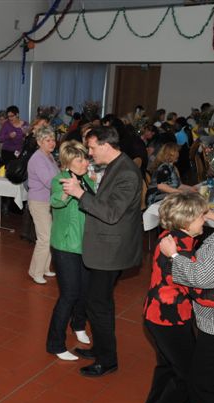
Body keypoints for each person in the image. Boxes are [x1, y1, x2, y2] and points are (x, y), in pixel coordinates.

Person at [142, 192, 214, 403]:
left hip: (156, 315)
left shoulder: (172, 236)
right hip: (169, 320)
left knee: (167, 368)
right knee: (187, 377)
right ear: (186, 221)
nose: (204, 220)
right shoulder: (179, 249)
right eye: (200, 216)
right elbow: (199, 288)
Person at [61, 126, 142, 377]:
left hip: (111, 250)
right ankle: (100, 348)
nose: (90, 153)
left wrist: (79, 194)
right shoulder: (118, 166)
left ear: (106, 145)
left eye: (93, 148)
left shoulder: (127, 172)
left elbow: (110, 213)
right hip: (106, 246)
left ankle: (107, 360)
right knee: (98, 303)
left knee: (99, 306)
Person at [46, 141, 94, 361]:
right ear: (68, 163)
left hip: (84, 245)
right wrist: (67, 193)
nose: (85, 162)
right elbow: (55, 201)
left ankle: (78, 325)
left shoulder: (86, 178)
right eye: (80, 159)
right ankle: (55, 344)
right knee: (69, 294)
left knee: (85, 290)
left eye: (85, 158)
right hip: (65, 246)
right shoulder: (60, 180)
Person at [26, 125, 59, 285]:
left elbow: (57, 176)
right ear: (39, 142)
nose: (52, 143)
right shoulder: (38, 158)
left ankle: (45, 268)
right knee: (44, 238)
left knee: (50, 236)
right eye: (48, 140)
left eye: (53, 139)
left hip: (48, 201)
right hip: (39, 202)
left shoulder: (49, 156)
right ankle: (35, 272)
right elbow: (49, 182)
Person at [146, 142, 196, 206]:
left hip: (165, 196)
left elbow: (178, 185)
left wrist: (191, 189)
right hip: (156, 198)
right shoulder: (164, 167)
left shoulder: (170, 166)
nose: (178, 153)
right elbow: (161, 186)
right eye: (177, 151)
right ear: (171, 154)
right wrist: (181, 192)